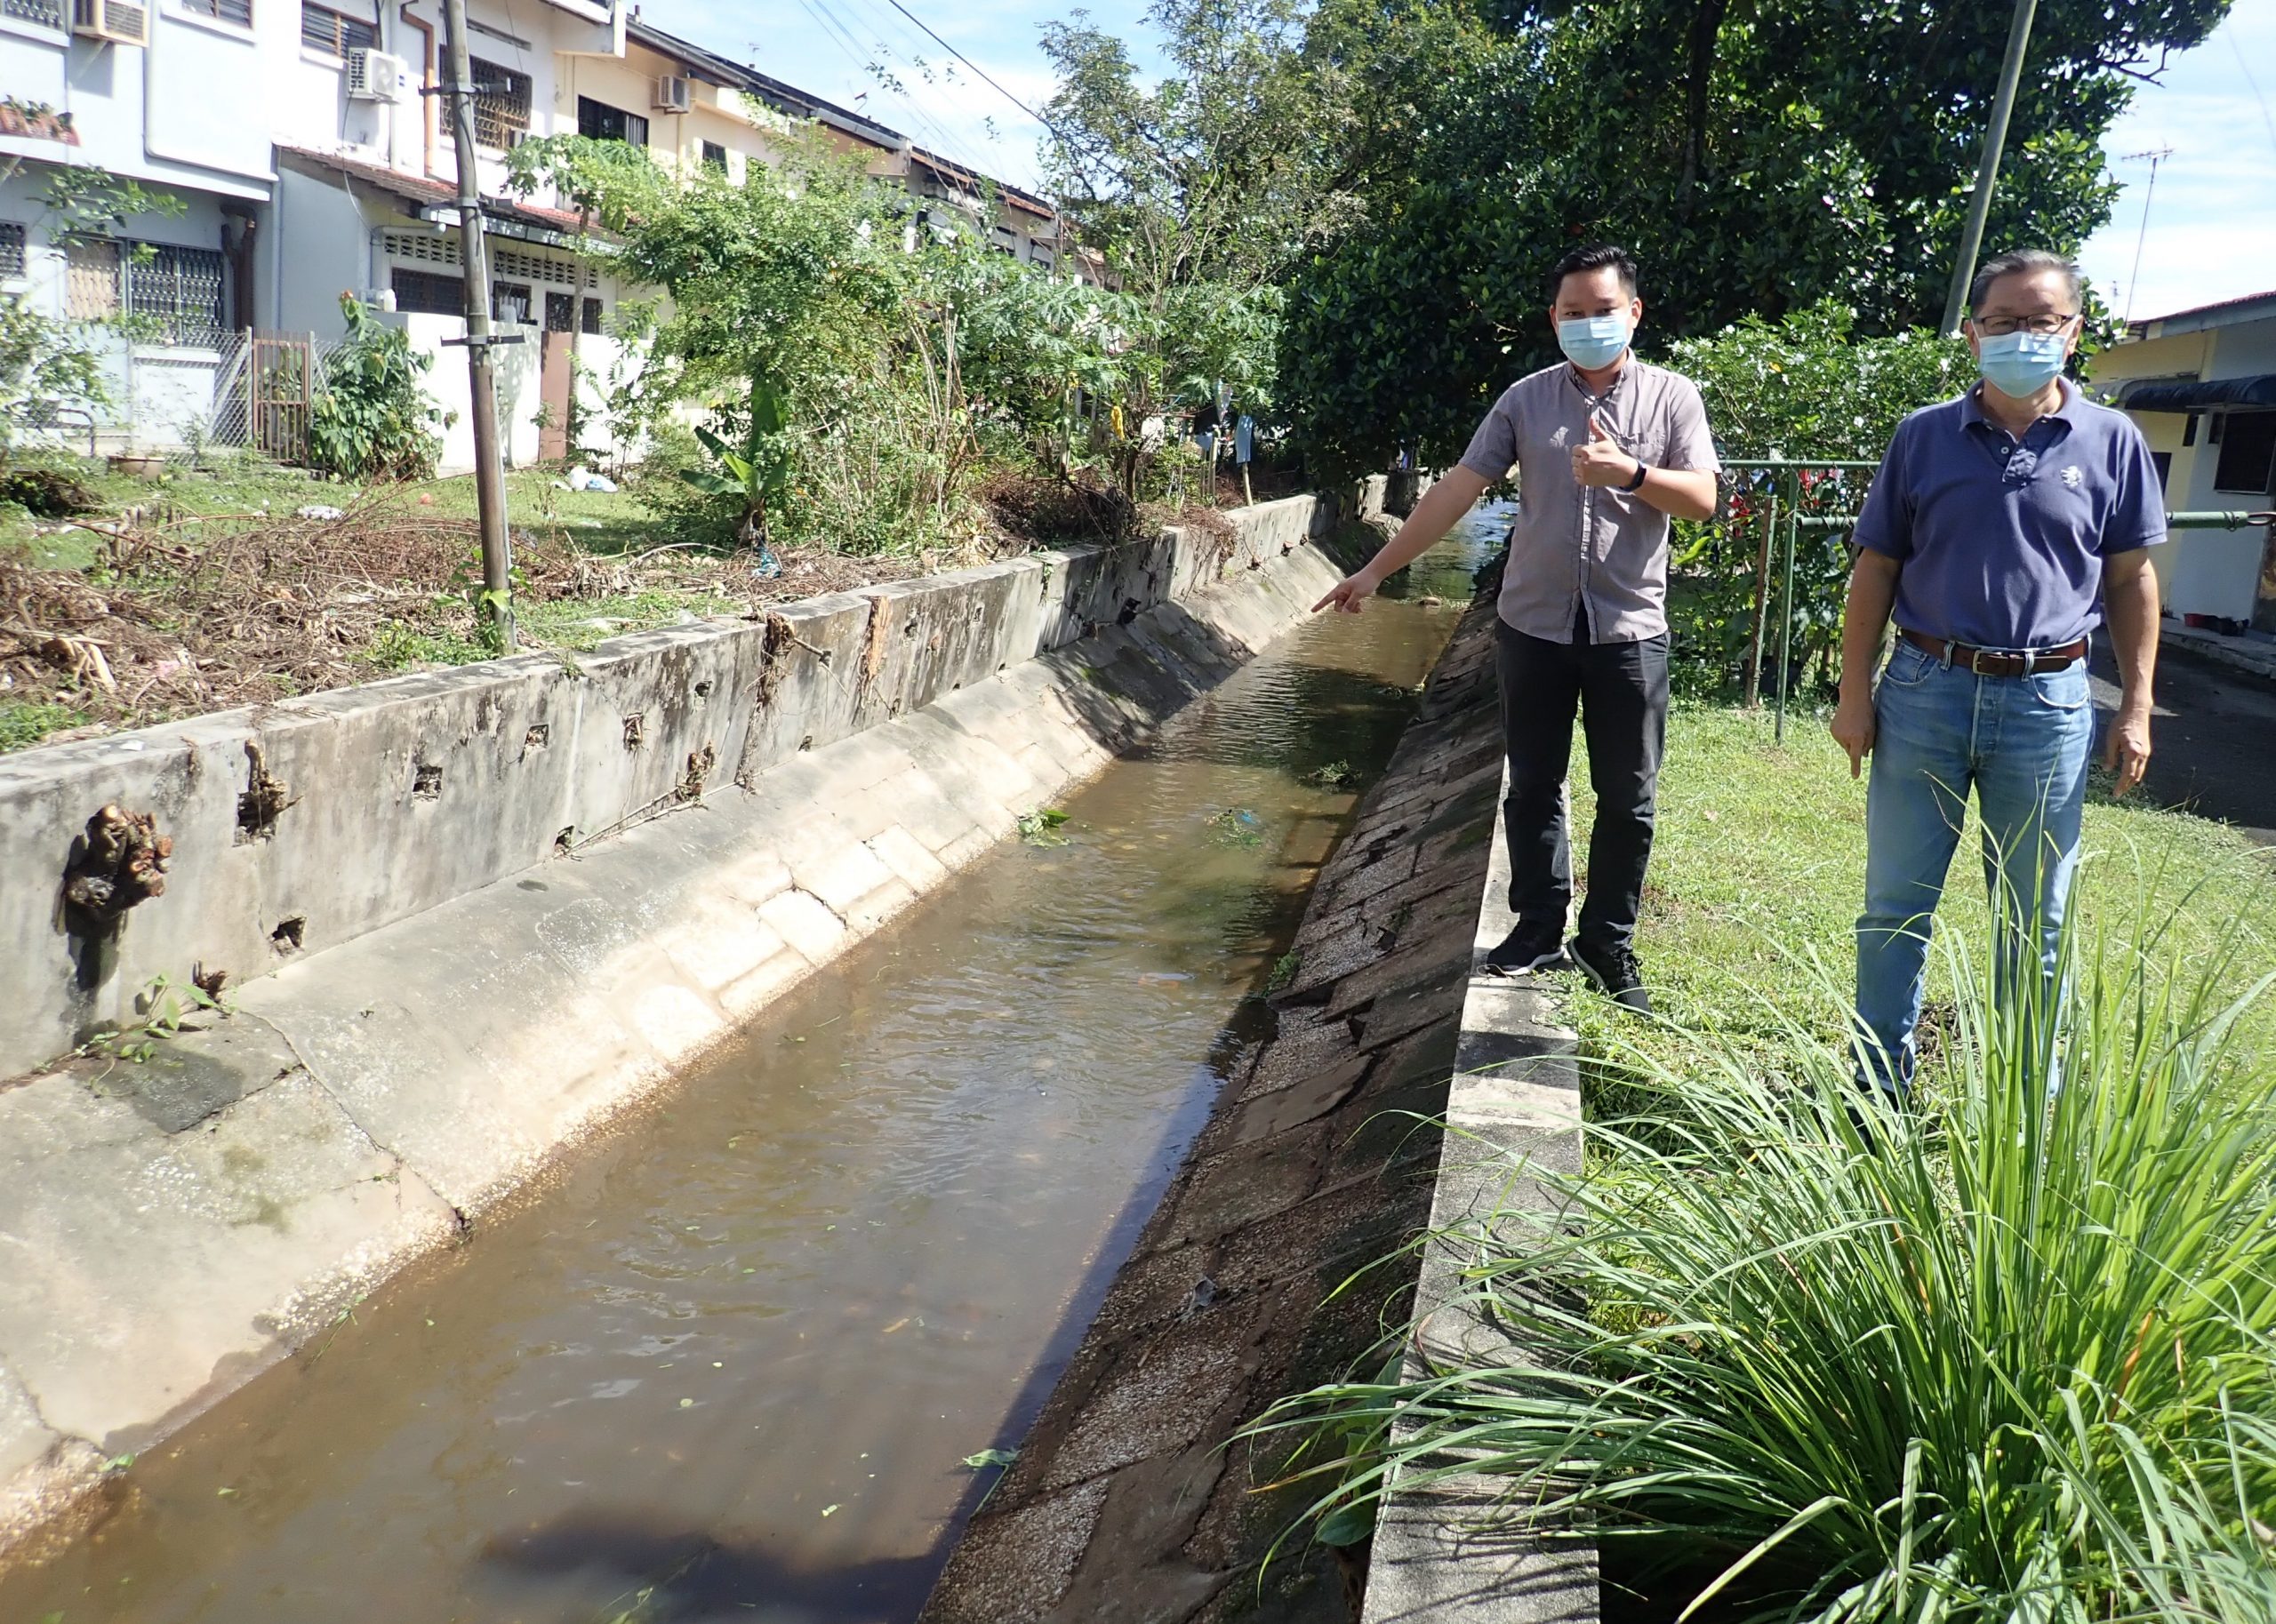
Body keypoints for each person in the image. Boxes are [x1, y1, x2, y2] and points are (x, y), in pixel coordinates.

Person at [1315, 244, 1719, 1012]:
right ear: (1554, 319)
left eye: (1604, 310)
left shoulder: (1673, 399)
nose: (1590, 324)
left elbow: (1701, 497)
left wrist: (1628, 473)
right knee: (1533, 785)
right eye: (1574, 313)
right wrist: (1374, 571)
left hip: (1629, 631)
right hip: (1531, 625)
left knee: (1629, 796)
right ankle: (1537, 926)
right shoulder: (1525, 400)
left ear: (1633, 312)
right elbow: (1457, 490)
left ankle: (1608, 945)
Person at [1831, 248, 2163, 1098]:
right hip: (1925, 692)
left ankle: (2027, 1108)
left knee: (2036, 921)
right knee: (1893, 909)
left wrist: (2137, 706)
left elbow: (2130, 580)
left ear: (2074, 331)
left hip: (2049, 703)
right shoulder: (1924, 436)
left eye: (2041, 321)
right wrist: (1852, 695)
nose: (2023, 337)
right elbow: (1875, 569)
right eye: (2004, 322)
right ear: (1973, 334)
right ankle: (1878, 1092)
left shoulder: (2113, 441)